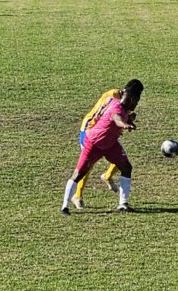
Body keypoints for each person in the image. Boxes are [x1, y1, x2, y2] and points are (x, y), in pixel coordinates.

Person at [61, 80, 144, 215]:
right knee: (80, 173)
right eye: (137, 101)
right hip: (94, 142)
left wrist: (128, 121)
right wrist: (124, 124)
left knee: (126, 167)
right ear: (132, 98)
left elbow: (120, 115)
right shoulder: (116, 106)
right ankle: (65, 206)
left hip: (110, 144)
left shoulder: (118, 102)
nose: (137, 104)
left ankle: (122, 204)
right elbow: (116, 117)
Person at [71, 85, 132, 209]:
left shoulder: (127, 102)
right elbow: (108, 112)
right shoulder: (113, 95)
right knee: (88, 164)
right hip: (90, 129)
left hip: (105, 132)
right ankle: (77, 195)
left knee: (121, 158)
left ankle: (107, 176)